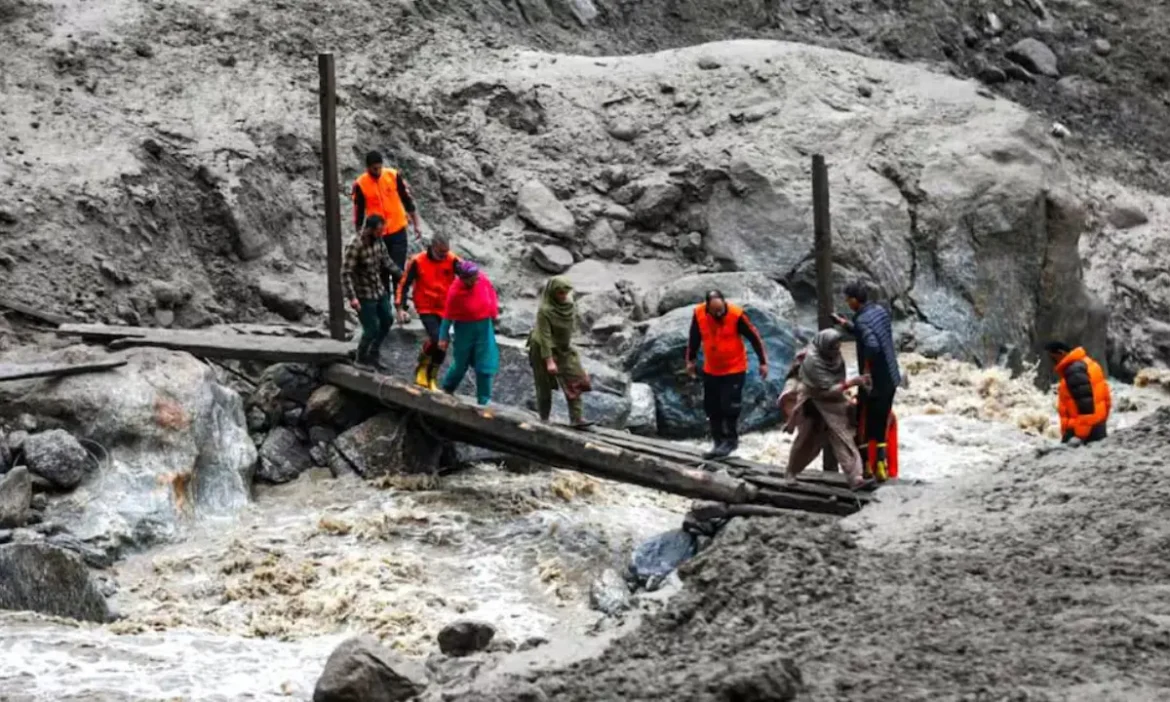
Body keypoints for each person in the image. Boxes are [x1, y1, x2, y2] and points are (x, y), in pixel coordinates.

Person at [778, 329, 869, 490]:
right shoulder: (812, 360)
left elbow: (837, 381)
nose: (836, 350)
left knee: (843, 438)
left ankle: (855, 477)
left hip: (834, 402)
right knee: (806, 440)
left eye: (837, 346)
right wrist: (851, 383)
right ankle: (791, 472)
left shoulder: (833, 355)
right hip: (814, 400)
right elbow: (825, 389)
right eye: (833, 346)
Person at [685, 290, 768, 459]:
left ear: (725, 304)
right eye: (715, 311)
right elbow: (694, 338)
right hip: (712, 368)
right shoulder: (699, 313)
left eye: (721, 310)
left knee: (729, 405)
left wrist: (763, 362)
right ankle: (717, 440)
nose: (719, 314)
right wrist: (690, 361)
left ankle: (731, 440)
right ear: (707, 307)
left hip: (734, 368)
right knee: (711, 405)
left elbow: (754, 337)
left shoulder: (736, 315)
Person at [832, 280, 901, 481]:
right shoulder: (879, 311)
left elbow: (871, 344)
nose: (847, 303)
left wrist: (865, 369)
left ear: (855, 300)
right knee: (881, 421)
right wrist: (846, 325)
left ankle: (868, 467)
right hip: (890, 376)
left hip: (873, 383)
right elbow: (868, 332)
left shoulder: (862, 321)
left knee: (865, 423)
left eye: (848, 300)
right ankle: (881, 465)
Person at [351, 150, 422, 296]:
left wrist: (416, 224)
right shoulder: (360, 184)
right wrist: (359, 233)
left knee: (397, 269)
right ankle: (385, 307)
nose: (377, 171)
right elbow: (359, 212)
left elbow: (407, 200)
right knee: (381, 271)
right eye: (374, 168)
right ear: (367, 167)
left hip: (398, 230)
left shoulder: (393, 175)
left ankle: (400, 305)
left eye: (379, 167)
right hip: (377, 234)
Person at [396, 233, 460, 389]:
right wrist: (400, 307)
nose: (444, 256)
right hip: (426, 306)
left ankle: (432, 376)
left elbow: (468, 275)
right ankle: (422, 367)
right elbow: (404, 284)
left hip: (445, 307)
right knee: (438, 338)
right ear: (432, 247)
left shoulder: (452, 260)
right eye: (441, 253)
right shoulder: (417, 261)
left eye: (446, 253)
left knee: (443, 343)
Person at [528, 276, 593, 427]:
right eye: (560, 293)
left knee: (575, 378)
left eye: (566, 292)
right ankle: (544, 419)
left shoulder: (569, 306)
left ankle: (576, 418)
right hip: (542, 348)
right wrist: (549, 360)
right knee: (543, 384)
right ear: (552, 293)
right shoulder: (545, 310)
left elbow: (571, 329)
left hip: (563, 348)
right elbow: (544, 336)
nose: (563, 296)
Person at [342, 215, 400, 369]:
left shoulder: (379, 241)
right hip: (363, 294)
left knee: (387, 320)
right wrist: (352, 298)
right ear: (369, 229)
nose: (382, 234)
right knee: (371, 328)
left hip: (378, 290)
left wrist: (403, 275)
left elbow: (387, 261)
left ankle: (374, 352)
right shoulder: (355, 245)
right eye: (379, 231)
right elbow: (346, 273)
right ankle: (360, 359)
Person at [438, 261, 500, 406]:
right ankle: (447, 388)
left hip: (484, 329)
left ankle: (484, 400)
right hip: (464, 331)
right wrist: (443, 336)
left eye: (476, 277)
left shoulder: (482, 280)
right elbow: (447, 316)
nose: (476, 280)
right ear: (463, 278)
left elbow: (491, 295)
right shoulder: (455, 292)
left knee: (484, 364)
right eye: (472, 278)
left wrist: (493, 314)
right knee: (461, 363)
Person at [1045, 341, 1111, 446]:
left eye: (1052, 357)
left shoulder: (1074, 371)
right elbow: (1106, 398)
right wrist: (1101, 421)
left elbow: (1086, 407)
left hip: (1081, 432)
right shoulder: (1089, 363)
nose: (1052, 362)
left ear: (1061, 353)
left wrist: (1080, 436)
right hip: (1098, 426)